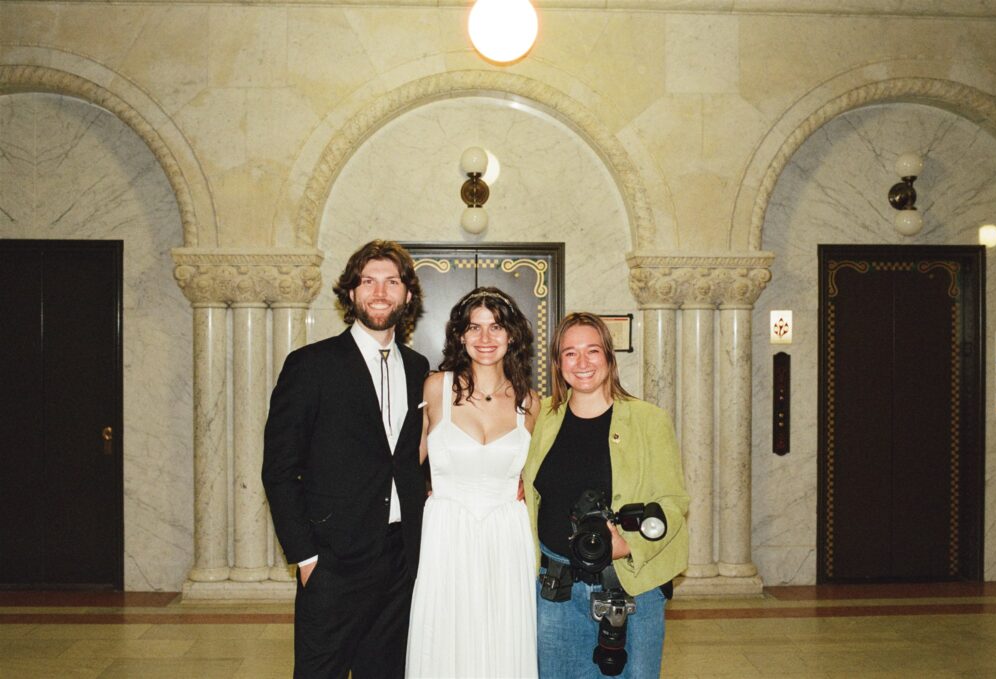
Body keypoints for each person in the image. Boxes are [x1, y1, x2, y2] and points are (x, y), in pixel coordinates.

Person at [262, 240, 430, 679]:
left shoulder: (419, 368)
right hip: (333, 561)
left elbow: (414, 459)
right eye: (368, 281)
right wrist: (305, 557)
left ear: (407, 294)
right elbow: (279, 469)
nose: (380, 292)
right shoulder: (310, 365)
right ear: (351, 292)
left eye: (392, 282)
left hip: (401, 559)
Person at [521, 312, 689, 679]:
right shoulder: (543, 417)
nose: (582, 362)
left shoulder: (648, 420)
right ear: (557, 363)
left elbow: (673, 502)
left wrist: (629, 546)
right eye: (570, 353)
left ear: (609, 357)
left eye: (592, 351)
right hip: (557, 591)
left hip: (630, 588)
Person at [406, 287, 540, 679]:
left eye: (495, 327)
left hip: (507, 536)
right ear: (460, 336)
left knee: (503, 639)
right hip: (446, 533)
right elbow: (406, 463)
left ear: (511, 336)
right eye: (474, 327)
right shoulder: (436, 388)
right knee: (446, 639)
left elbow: (541, 472)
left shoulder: (531, 403)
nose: (485, 338)